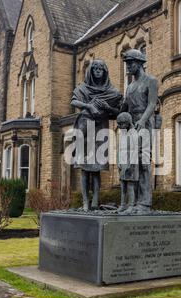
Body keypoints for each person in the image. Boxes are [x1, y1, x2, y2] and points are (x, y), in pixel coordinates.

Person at [71, 60, 122, 211]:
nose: (98, 71)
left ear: (105, 72)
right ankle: (85, 202)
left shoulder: (112, 91)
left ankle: (94, 201)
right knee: (85, 168)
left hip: (101, 128)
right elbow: (74, 101)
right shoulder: (83, 88)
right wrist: (89, 106)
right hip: (85, 127)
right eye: (96, 69)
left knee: (97, 168)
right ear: (91, 71)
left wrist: (108, 108)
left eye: (101, 69)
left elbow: (118, 111)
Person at [121, 49, 159, 214]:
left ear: (139, 63)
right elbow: (124, 108)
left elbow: (152, 104)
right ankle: (132, 203)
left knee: (144, 163)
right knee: (131, 165)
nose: (128, 66)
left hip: (145, 124)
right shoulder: (129, 87)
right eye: (127, 63)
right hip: (131, 126)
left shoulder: (151, 81)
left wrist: (142, 121)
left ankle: (144, 203)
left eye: (131, 63)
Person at [116, 112, 139, 214]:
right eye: (119, 124)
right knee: (123, 186)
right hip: (123, 163)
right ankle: (122, 205)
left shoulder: (134, 133)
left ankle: (131, 205)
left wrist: (130, 165)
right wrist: (118, 161)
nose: (120, 126)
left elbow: (135, 150)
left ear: (128, 122)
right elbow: (119, 149)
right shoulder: (122, 134)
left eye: (122, 124)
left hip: (131, 164)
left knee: (130, 186)